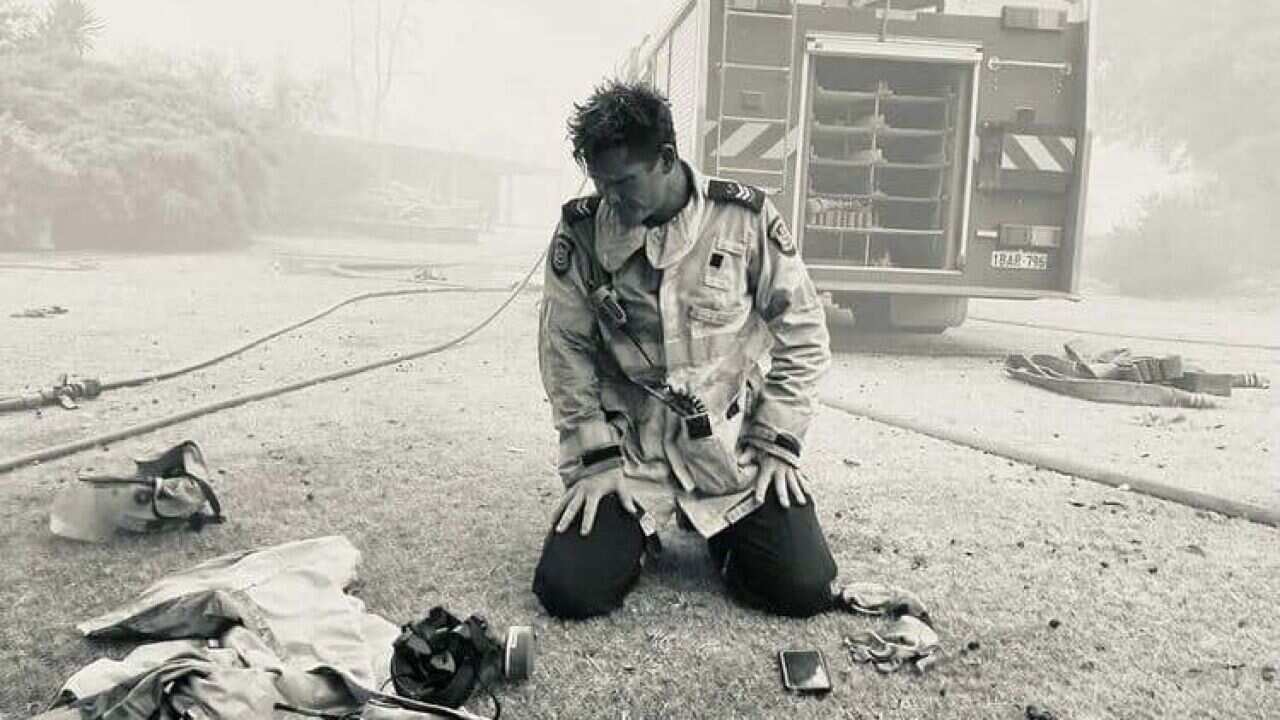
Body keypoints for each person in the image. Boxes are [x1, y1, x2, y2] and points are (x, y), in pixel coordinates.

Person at [533, 80, 837, 620]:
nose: (611, 199)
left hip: (728, 454)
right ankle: (640, 533)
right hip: (630, 457)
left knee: (804, 588)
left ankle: (723, 534)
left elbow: (805, 332)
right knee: (568, 592)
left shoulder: (744, 220)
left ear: (667, 159)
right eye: (601, 184)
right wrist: (596, 460)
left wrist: (777, 442)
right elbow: (565, 351)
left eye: (624, 183)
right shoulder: (580, 233)